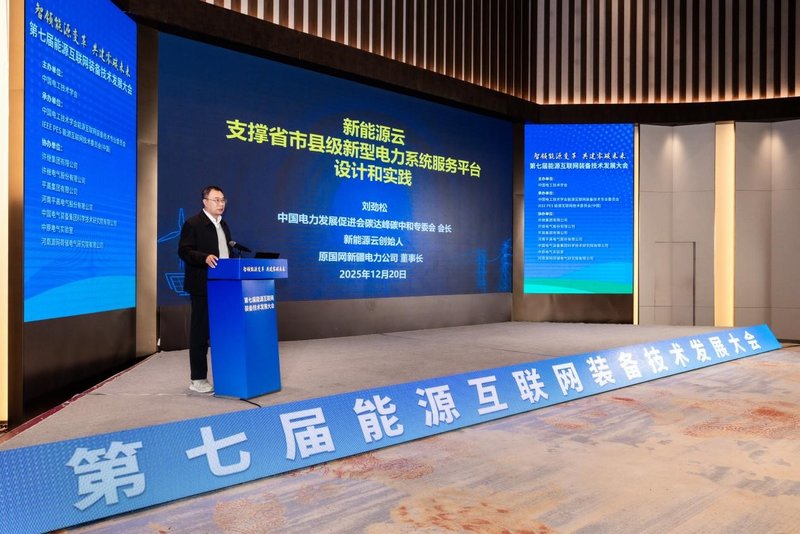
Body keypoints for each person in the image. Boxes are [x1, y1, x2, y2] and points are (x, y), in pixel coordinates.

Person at [178, 185, 232, 394]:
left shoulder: (224, 225)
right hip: (202, 286)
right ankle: (198, 378)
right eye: (216, 200)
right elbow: (184, 251)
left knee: (223, 332)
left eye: (223, 200)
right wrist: (204, 258)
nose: (220, 204)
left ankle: (227, 374)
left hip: (224, 286)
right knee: (200, 334)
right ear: (205, 202)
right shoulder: (193, 224)